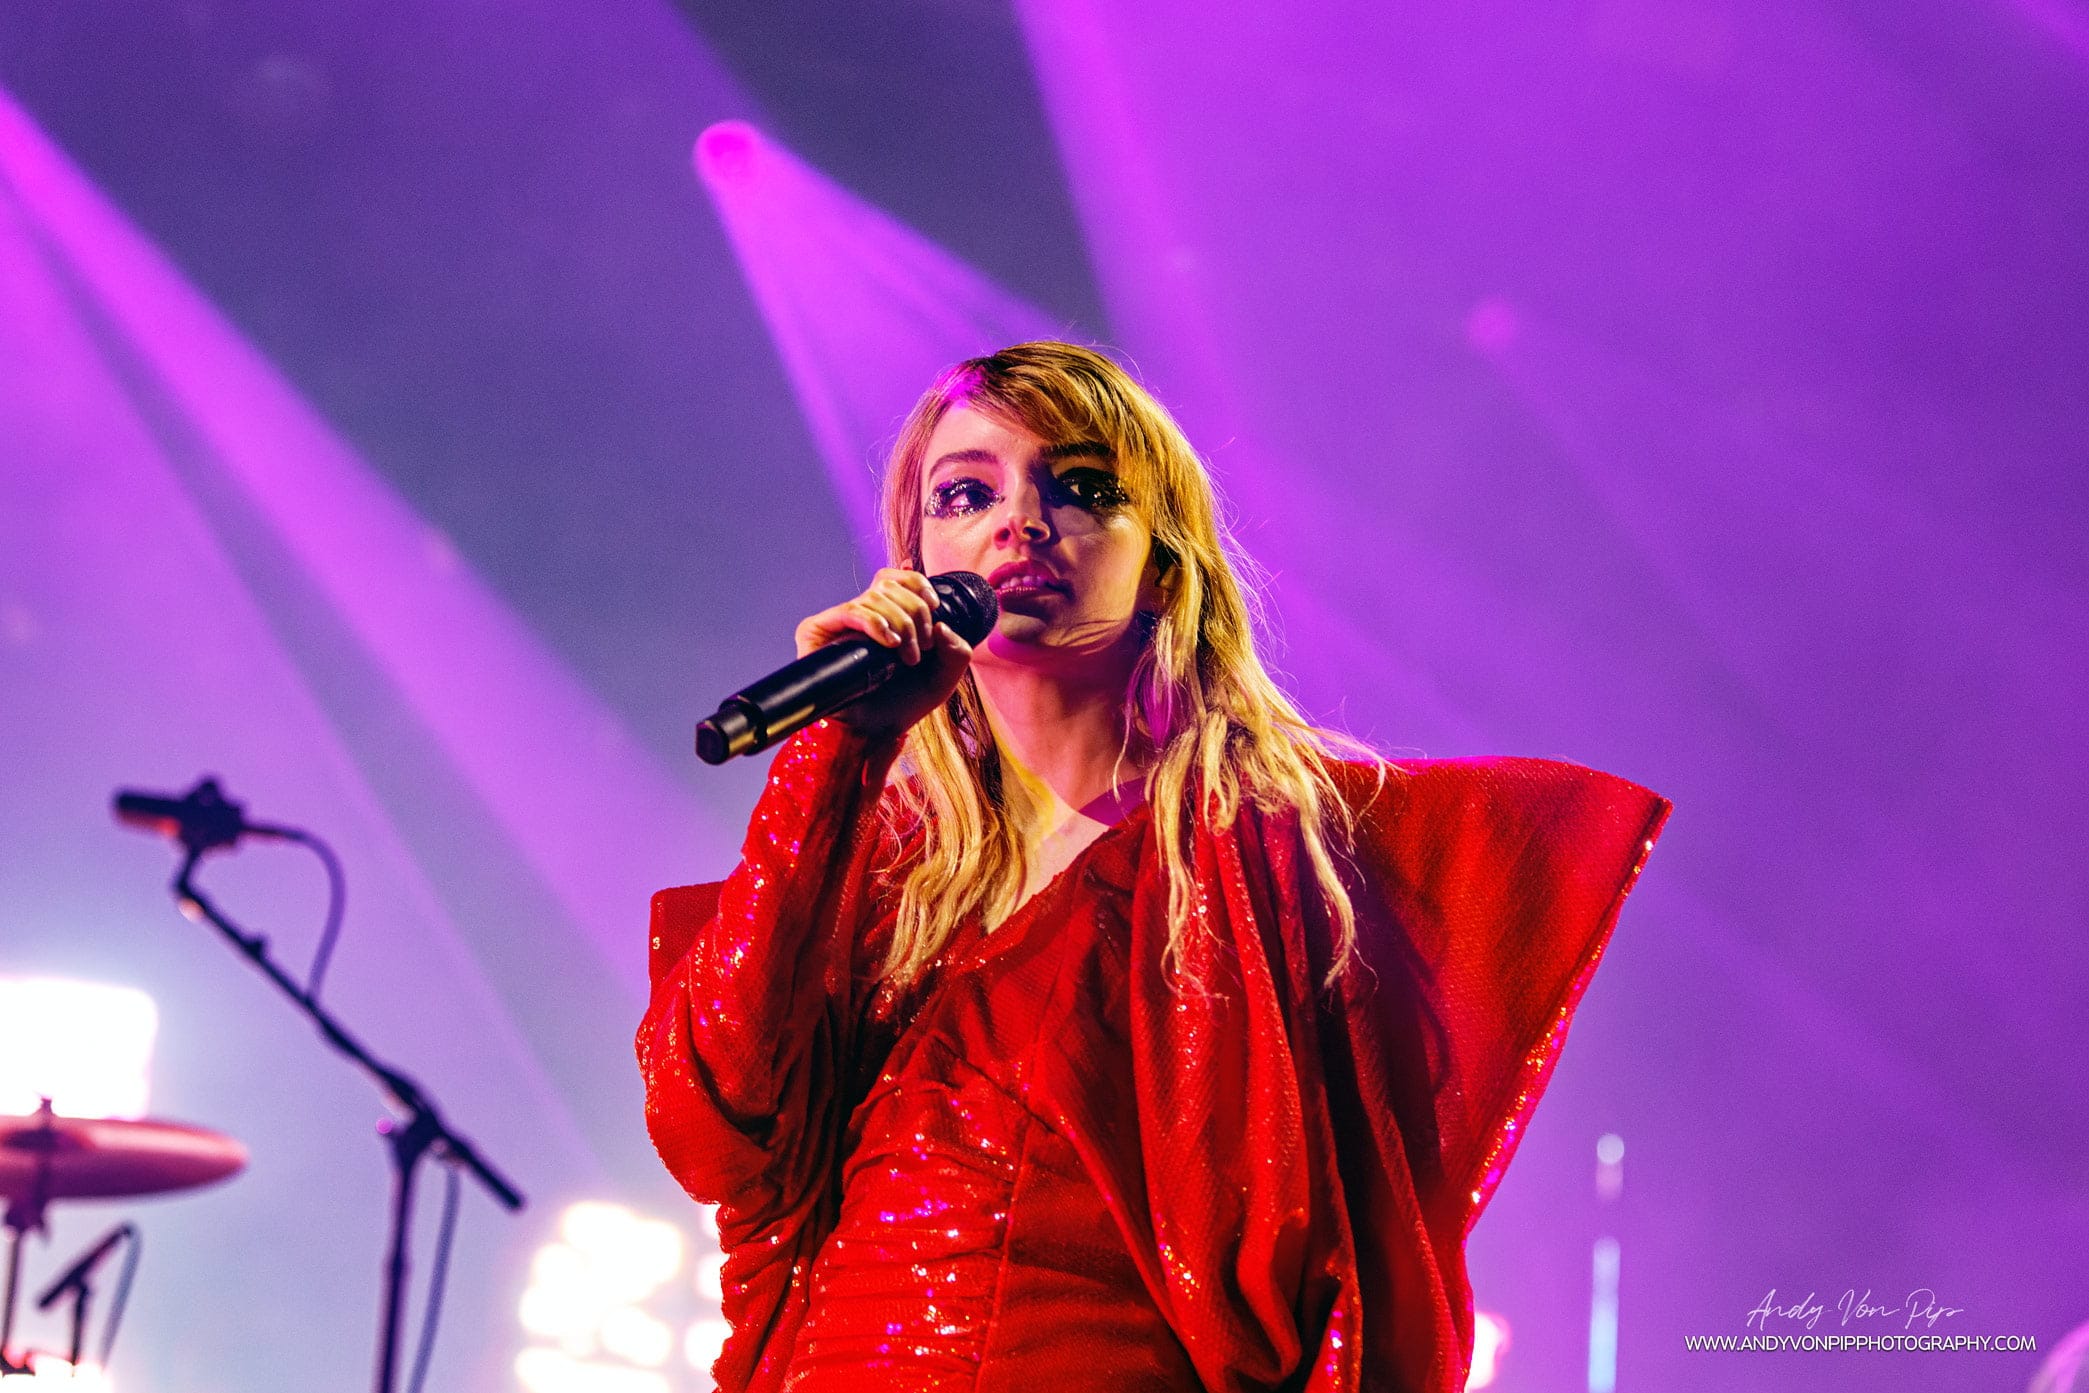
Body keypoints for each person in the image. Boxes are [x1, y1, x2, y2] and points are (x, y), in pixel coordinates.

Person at [637, 342, 1671, 1392]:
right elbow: (709, 1122)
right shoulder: (875, 882)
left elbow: (1320, 1254)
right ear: (910, 568)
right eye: (964, 492)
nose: (1020, 520)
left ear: (1165, 562)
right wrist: (839, 750)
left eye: (1080, 487)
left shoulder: (1288, 857)